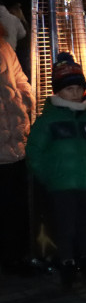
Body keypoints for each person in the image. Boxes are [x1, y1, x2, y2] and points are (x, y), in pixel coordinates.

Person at [25, 53, 86, 288]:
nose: (75, 93)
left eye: (78, 88)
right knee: (65, 226)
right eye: (69, 89)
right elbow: (35, 152)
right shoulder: (48, 121)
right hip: (62, 185)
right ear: (58, 91)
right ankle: (66, 262)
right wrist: (49, 176)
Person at [0, 30, 34, 275]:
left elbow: (20, 78)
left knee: (17, 203)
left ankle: (18, 255)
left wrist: (28, 100)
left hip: (17, 138)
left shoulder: (3, 44)